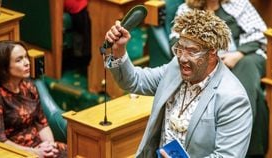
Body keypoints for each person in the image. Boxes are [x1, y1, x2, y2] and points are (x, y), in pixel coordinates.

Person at [105, 9, 252, 157]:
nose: (182, 58)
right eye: (180, 48)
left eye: (192, 51)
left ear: (212, 53)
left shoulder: (233, 99)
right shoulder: (175, 67)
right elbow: (135, 81)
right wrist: (119, 50)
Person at [174, 0, 269, 157]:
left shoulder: (239, 3)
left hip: (245, 56)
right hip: (207, 64)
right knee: (255, 95)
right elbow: (177, 43)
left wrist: (238, 55)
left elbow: (261, 35)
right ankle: (250, 150)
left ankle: (238, 139)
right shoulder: (185, 10)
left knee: (247, 69)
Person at [0, 41, 67, 158]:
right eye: (19, 60)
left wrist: (49, 145)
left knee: (78, 152)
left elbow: (42, 123)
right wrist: (33, 152)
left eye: (26, 57)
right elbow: (1, 142)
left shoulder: (29, 86)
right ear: (4, 67)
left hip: (40, 147)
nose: (27, 63)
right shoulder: (1, 96)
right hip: (16, 153)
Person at [64, 0, 91, 70]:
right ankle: (83, 59)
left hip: (80, 9)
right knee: (82, 35)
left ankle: (82, 58)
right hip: (78, 9)